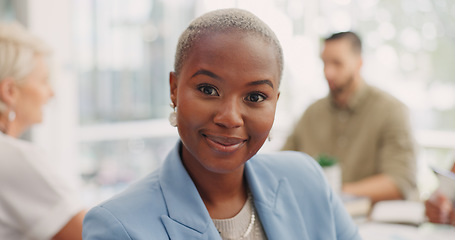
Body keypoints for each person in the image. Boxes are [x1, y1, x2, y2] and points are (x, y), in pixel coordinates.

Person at [82, 9, 361, 239]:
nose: (229, 117)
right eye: (207, 89)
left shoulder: (307, 179)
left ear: (275, 102)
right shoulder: (118, 226)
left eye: (255, 96)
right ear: (174, 89)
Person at [282, 31, 417, 203]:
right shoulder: (311, 113)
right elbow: (282, 166)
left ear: (359, 63)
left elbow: (400, 182)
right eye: (324, 63)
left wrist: (334, 193)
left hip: (373, 223)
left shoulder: (391, 111)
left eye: (337, 63)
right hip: (315, 217)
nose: (328, 72)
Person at [0, 21, 85, 240]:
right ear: (10, 90)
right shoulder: (15, 158)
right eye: (44, 81)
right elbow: (94, 236)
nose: (51, 93)